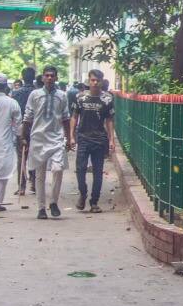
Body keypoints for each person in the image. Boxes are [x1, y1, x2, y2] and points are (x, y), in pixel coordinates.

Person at [23, 66, 72, 220]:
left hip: (57, 138)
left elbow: (66, 118)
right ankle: (41, 208)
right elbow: (28, 117)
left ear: (56, 77)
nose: (49, 78)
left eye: (52, 75)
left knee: (58, 169)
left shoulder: (62, 96)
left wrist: (69, 137)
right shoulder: (35, 95)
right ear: (43, 78)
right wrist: (23, 137)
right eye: (47, 75)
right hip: (38, 138)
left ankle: (54, 202)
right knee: (40, 175)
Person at [71, 69, 115, 213]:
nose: (95, 83)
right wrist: (71, 136)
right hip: (83, 138)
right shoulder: (80, 97)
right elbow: (74, 117)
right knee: (80, 169)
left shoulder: (107, 99)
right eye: (93, 80)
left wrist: (111, 140)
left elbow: (109, 120)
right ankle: (82, 194)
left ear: (101, 81)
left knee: (97, 171)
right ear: (89, 81)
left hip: (99, 139)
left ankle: (94, 201)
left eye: (98, 80)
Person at [0, 73, 22, 212]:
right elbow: (18, 123)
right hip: (4, 141)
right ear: (6, 86)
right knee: (2, 171)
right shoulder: (12, 102)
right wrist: (20, 138)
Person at [12, 66, 37, 195]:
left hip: (21, 127)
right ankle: (34, 183)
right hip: (36, 127)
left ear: (22, 77)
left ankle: (22, 186)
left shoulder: (16, 93)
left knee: (21, 157)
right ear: (34, 77)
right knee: (35, 156)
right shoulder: (38, 92)